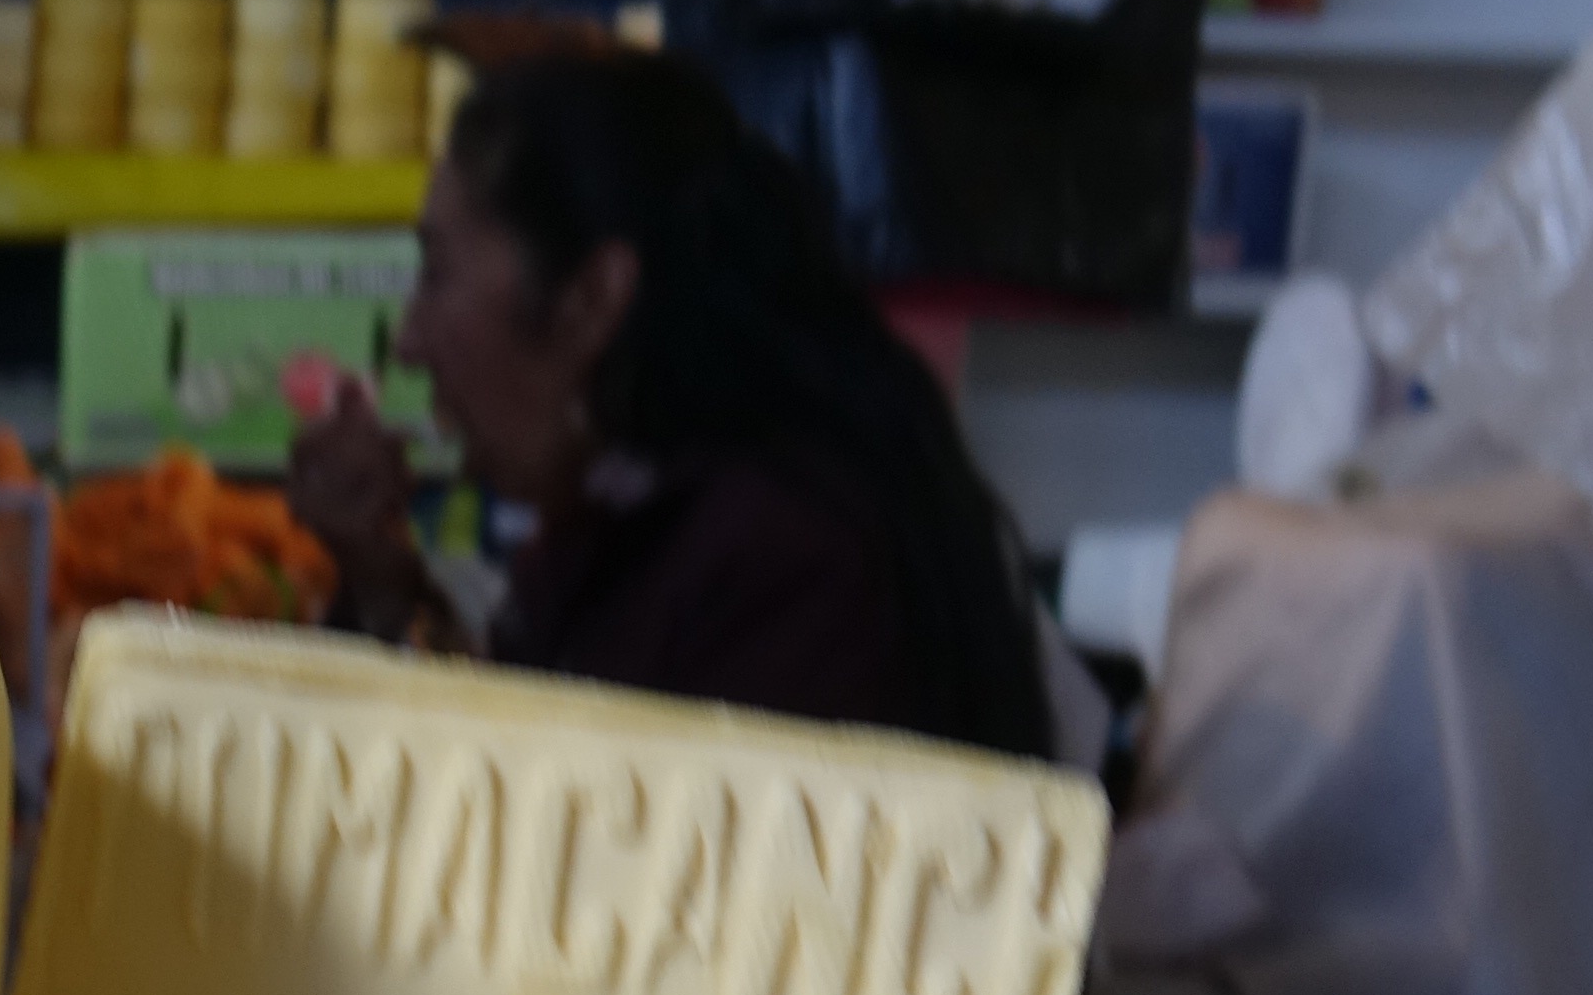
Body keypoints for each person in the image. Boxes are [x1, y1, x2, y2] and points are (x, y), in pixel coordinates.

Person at [281, 49, 1049, 762]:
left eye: (436, 275)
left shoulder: (781, 562)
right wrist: (384, 595)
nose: (407, 345)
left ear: (591, 299)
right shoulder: (616, 528)